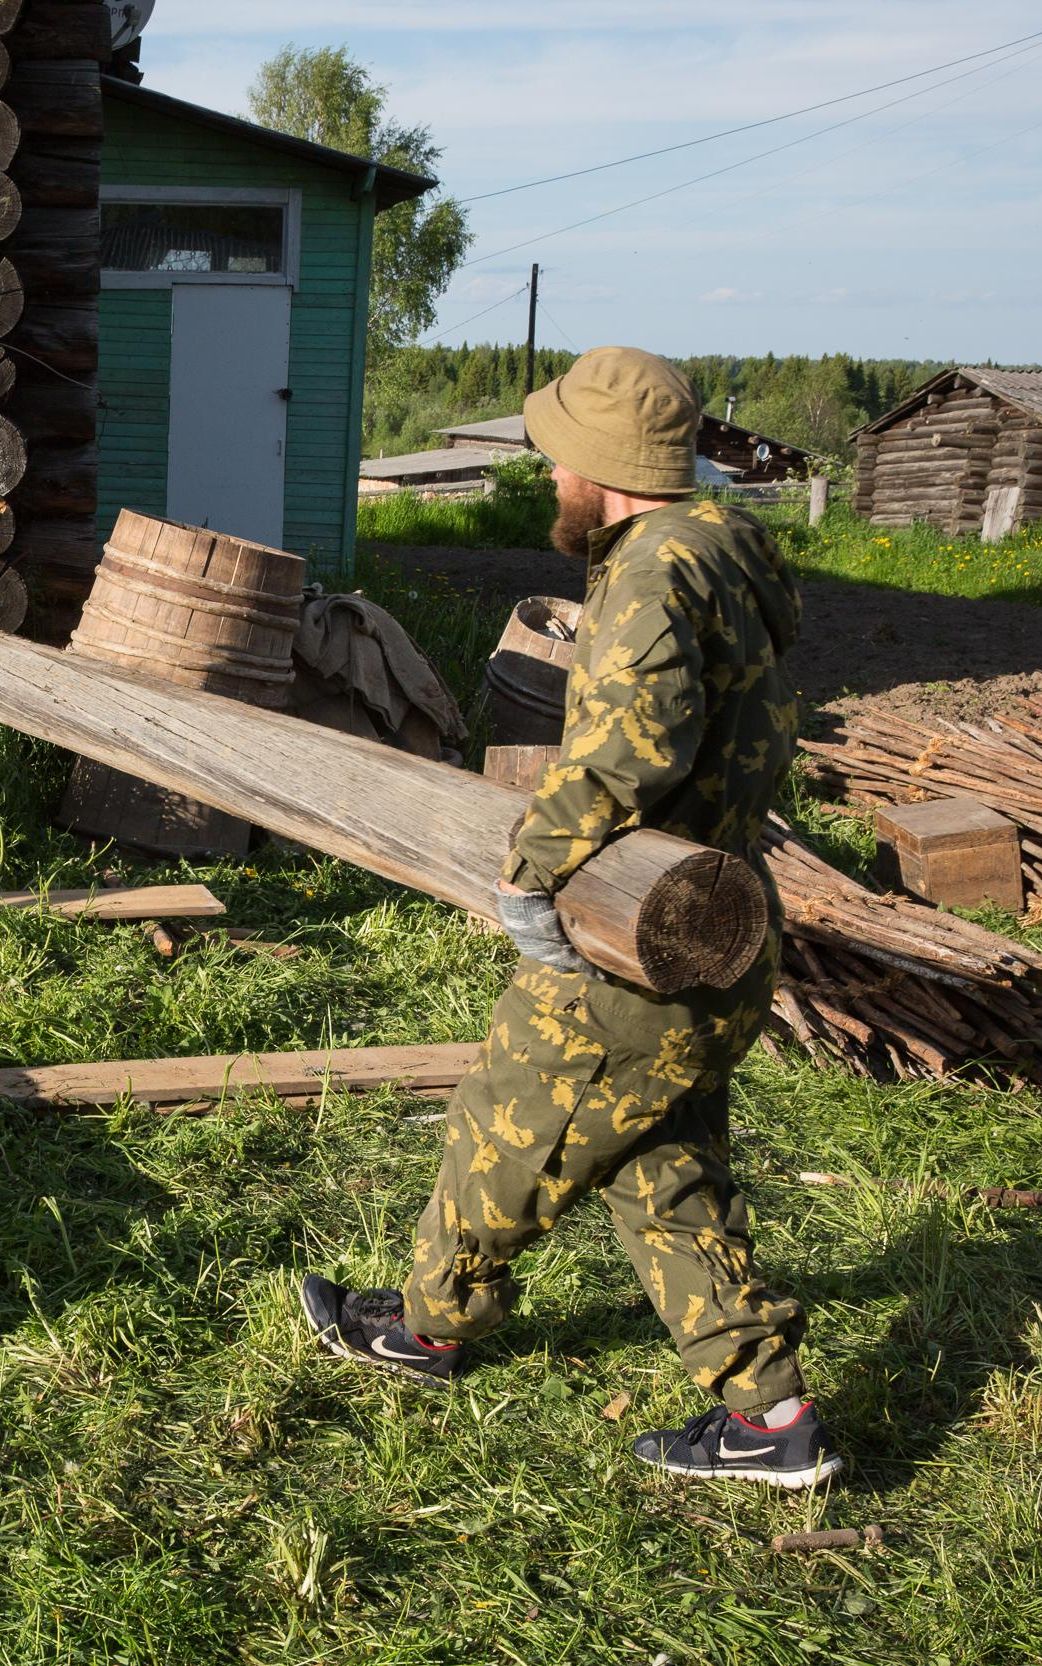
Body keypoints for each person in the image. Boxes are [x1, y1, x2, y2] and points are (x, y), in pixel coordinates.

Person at [299, 347, 836, 1488]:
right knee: (663, 1167)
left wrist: (529, 872)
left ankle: (423, 1331)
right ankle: (771, 1417)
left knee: (504, 1130)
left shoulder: (651, 571)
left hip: (635, 938)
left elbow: (634, 744)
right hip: (715, 917)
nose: (549, 475)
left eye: (557, 457)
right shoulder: (726, 549)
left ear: (603, 463)